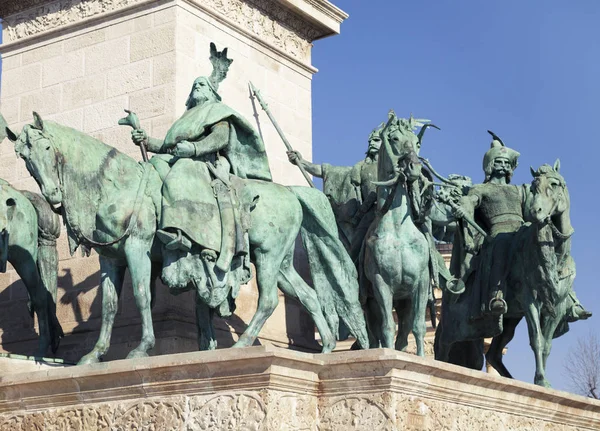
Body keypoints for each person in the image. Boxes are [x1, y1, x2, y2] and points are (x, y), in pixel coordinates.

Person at [287, 124, 383, 262]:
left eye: (376, 140)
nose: (371, 143)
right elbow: (327, 171)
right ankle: (356, 275)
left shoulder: (394, 167)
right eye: (370, 141)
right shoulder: (361, 168)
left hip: (391, 210)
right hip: (370, 214)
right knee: (355, 249)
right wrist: (302, 162)